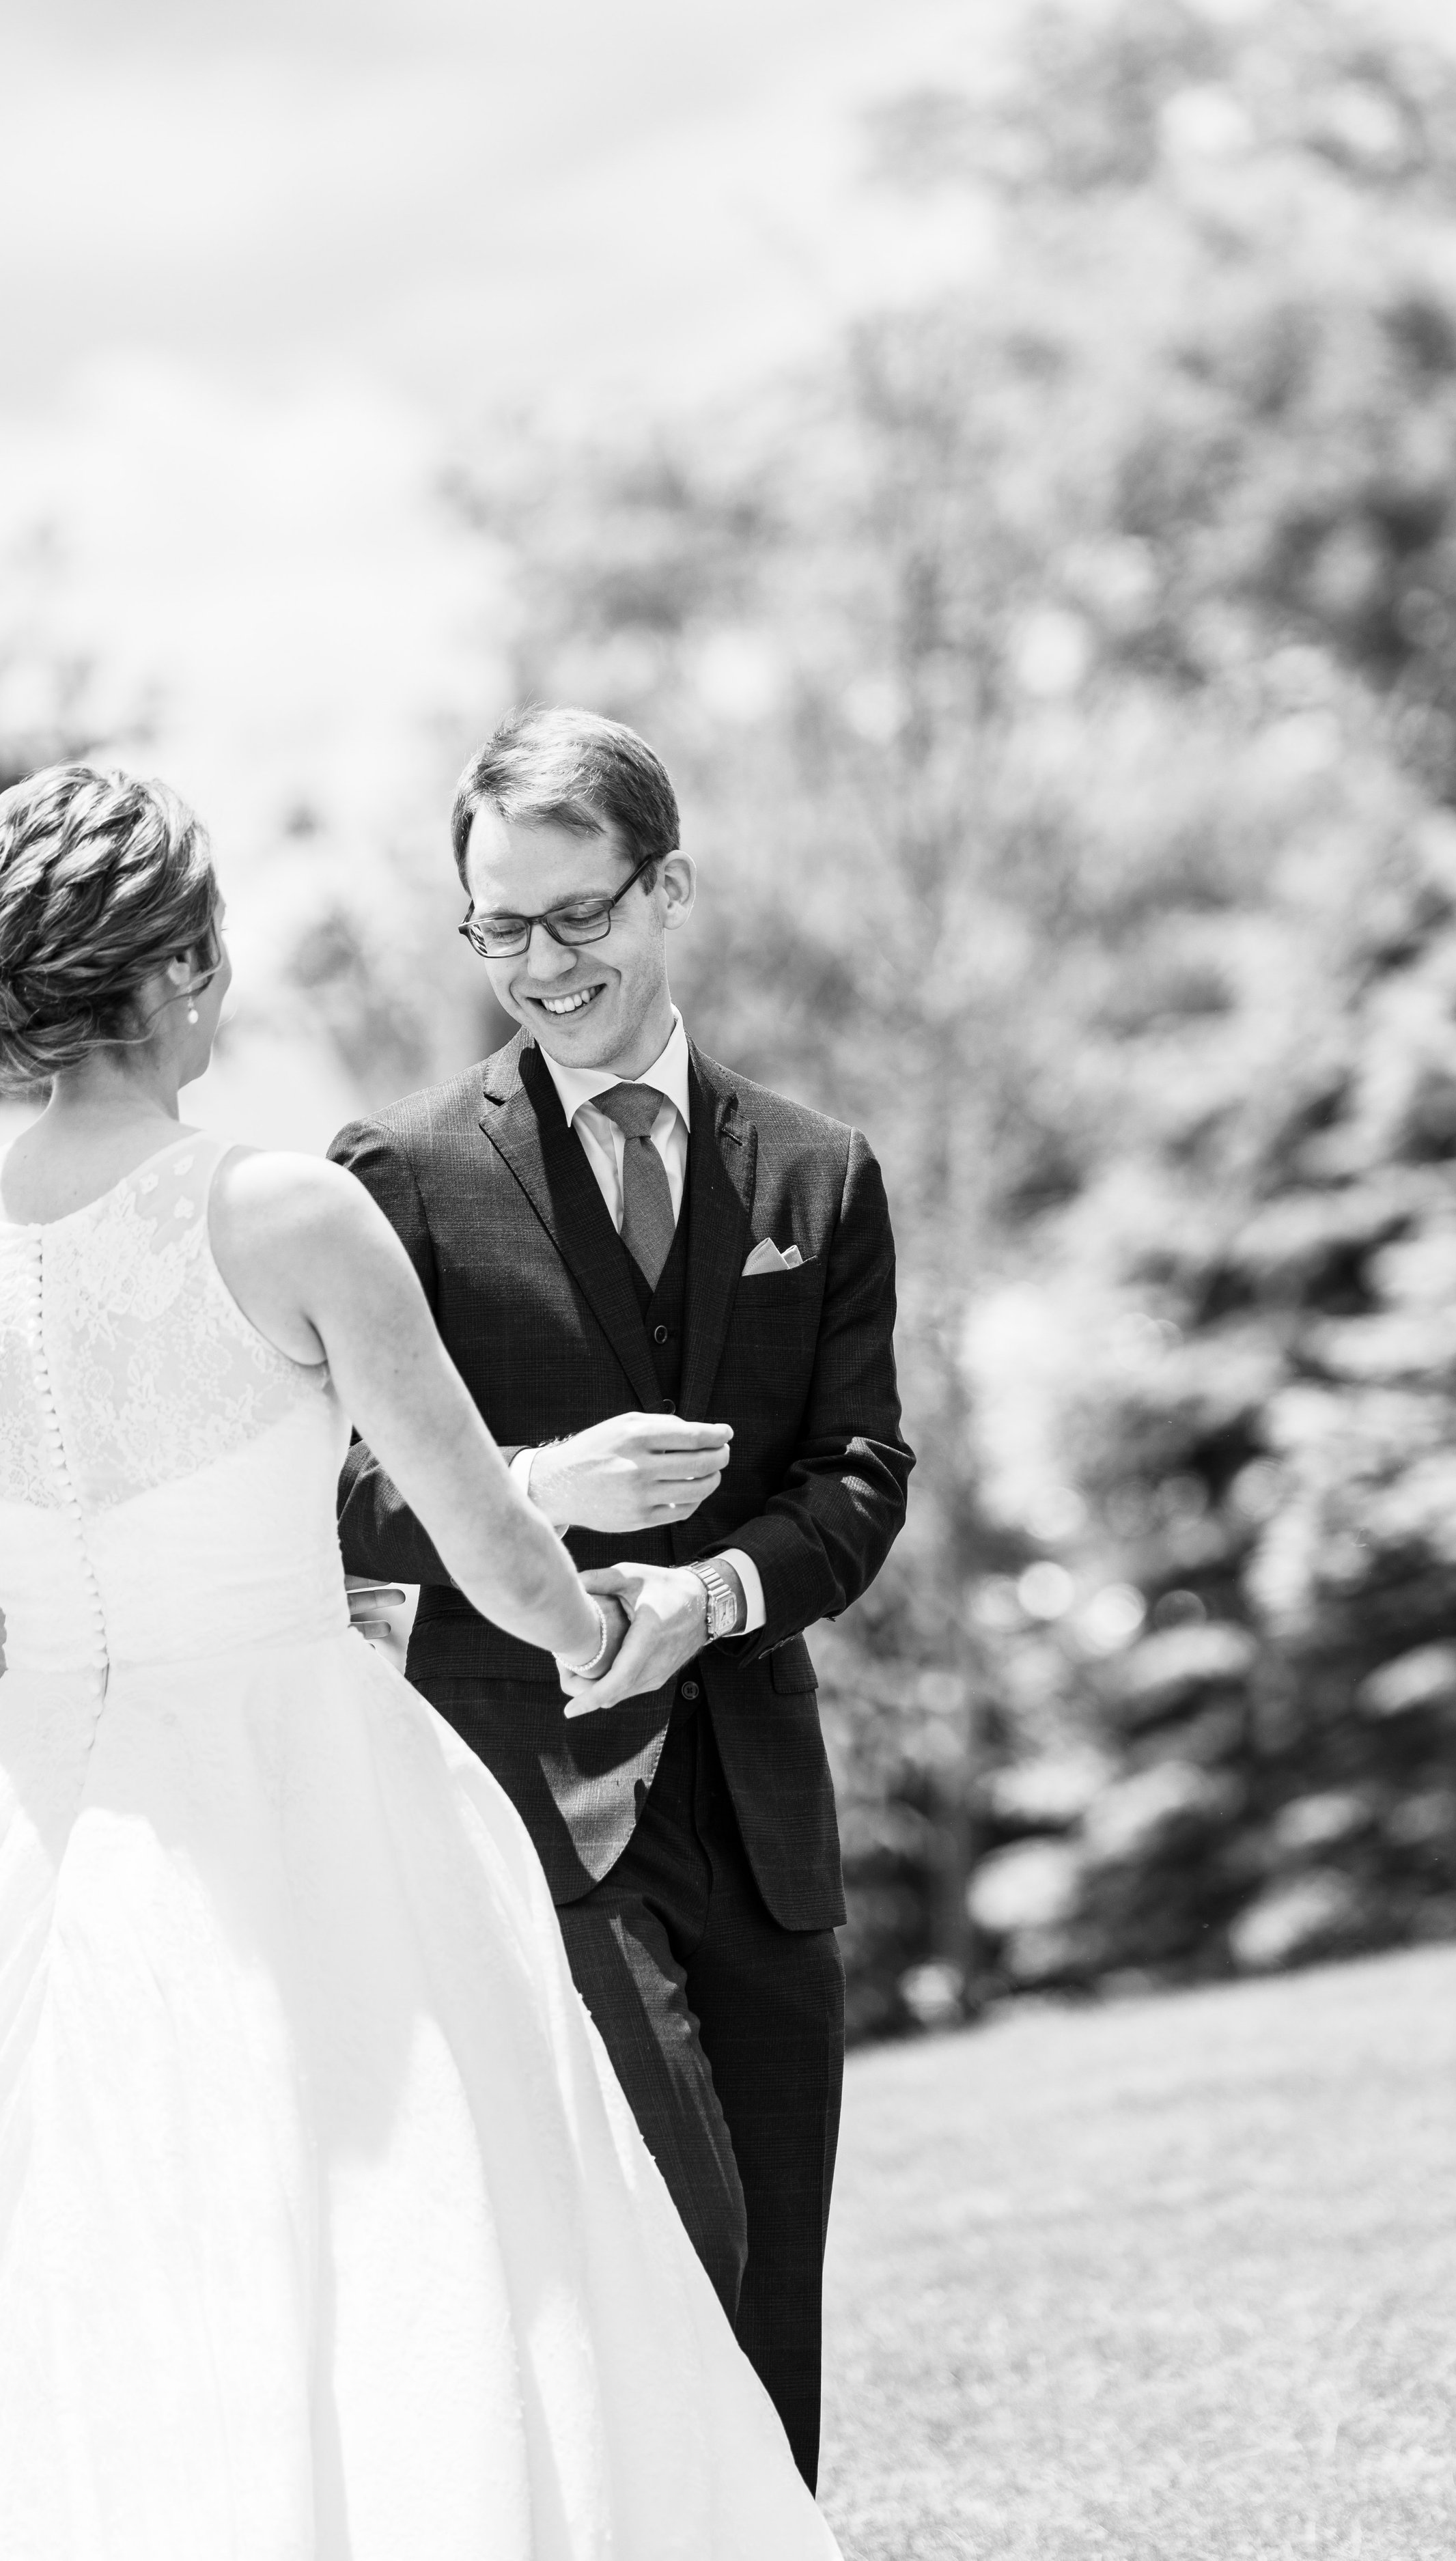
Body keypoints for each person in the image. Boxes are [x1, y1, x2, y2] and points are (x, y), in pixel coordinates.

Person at [0, 762, 841, 2558]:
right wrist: (611, 1623)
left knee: (123, 2270)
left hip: (48, 1829)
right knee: (410, 2244)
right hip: (300, 1797)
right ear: (171, 977)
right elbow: (483, 1538)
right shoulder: (283, 1208)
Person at [333, 705, 912, 2486]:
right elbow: (336, 1502)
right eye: (497, 929)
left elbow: (859, 1479)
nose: (540, 967)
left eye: (575, 917)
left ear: (667, 889)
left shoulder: (817, 1173)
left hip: (757, 1828)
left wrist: (725, 1589)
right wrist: (533, 1499)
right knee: (635, 2275)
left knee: (768, 2308)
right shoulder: (399, 1184)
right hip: (522, 1825)